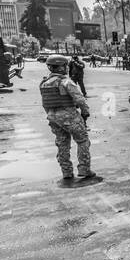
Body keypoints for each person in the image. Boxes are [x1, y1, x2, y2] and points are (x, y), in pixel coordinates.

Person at [41, 54, 94, 182]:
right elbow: (79, 99)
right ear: (60, 67)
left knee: (62, 144)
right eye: (65, 66)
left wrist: (51, 116)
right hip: (69, 116)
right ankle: (84, 169)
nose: (67, 68)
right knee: (82, 141)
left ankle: (66, 172)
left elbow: (45, 103)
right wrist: (85, 112)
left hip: (53, 117)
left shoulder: (44, 83)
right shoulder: (65, 81)